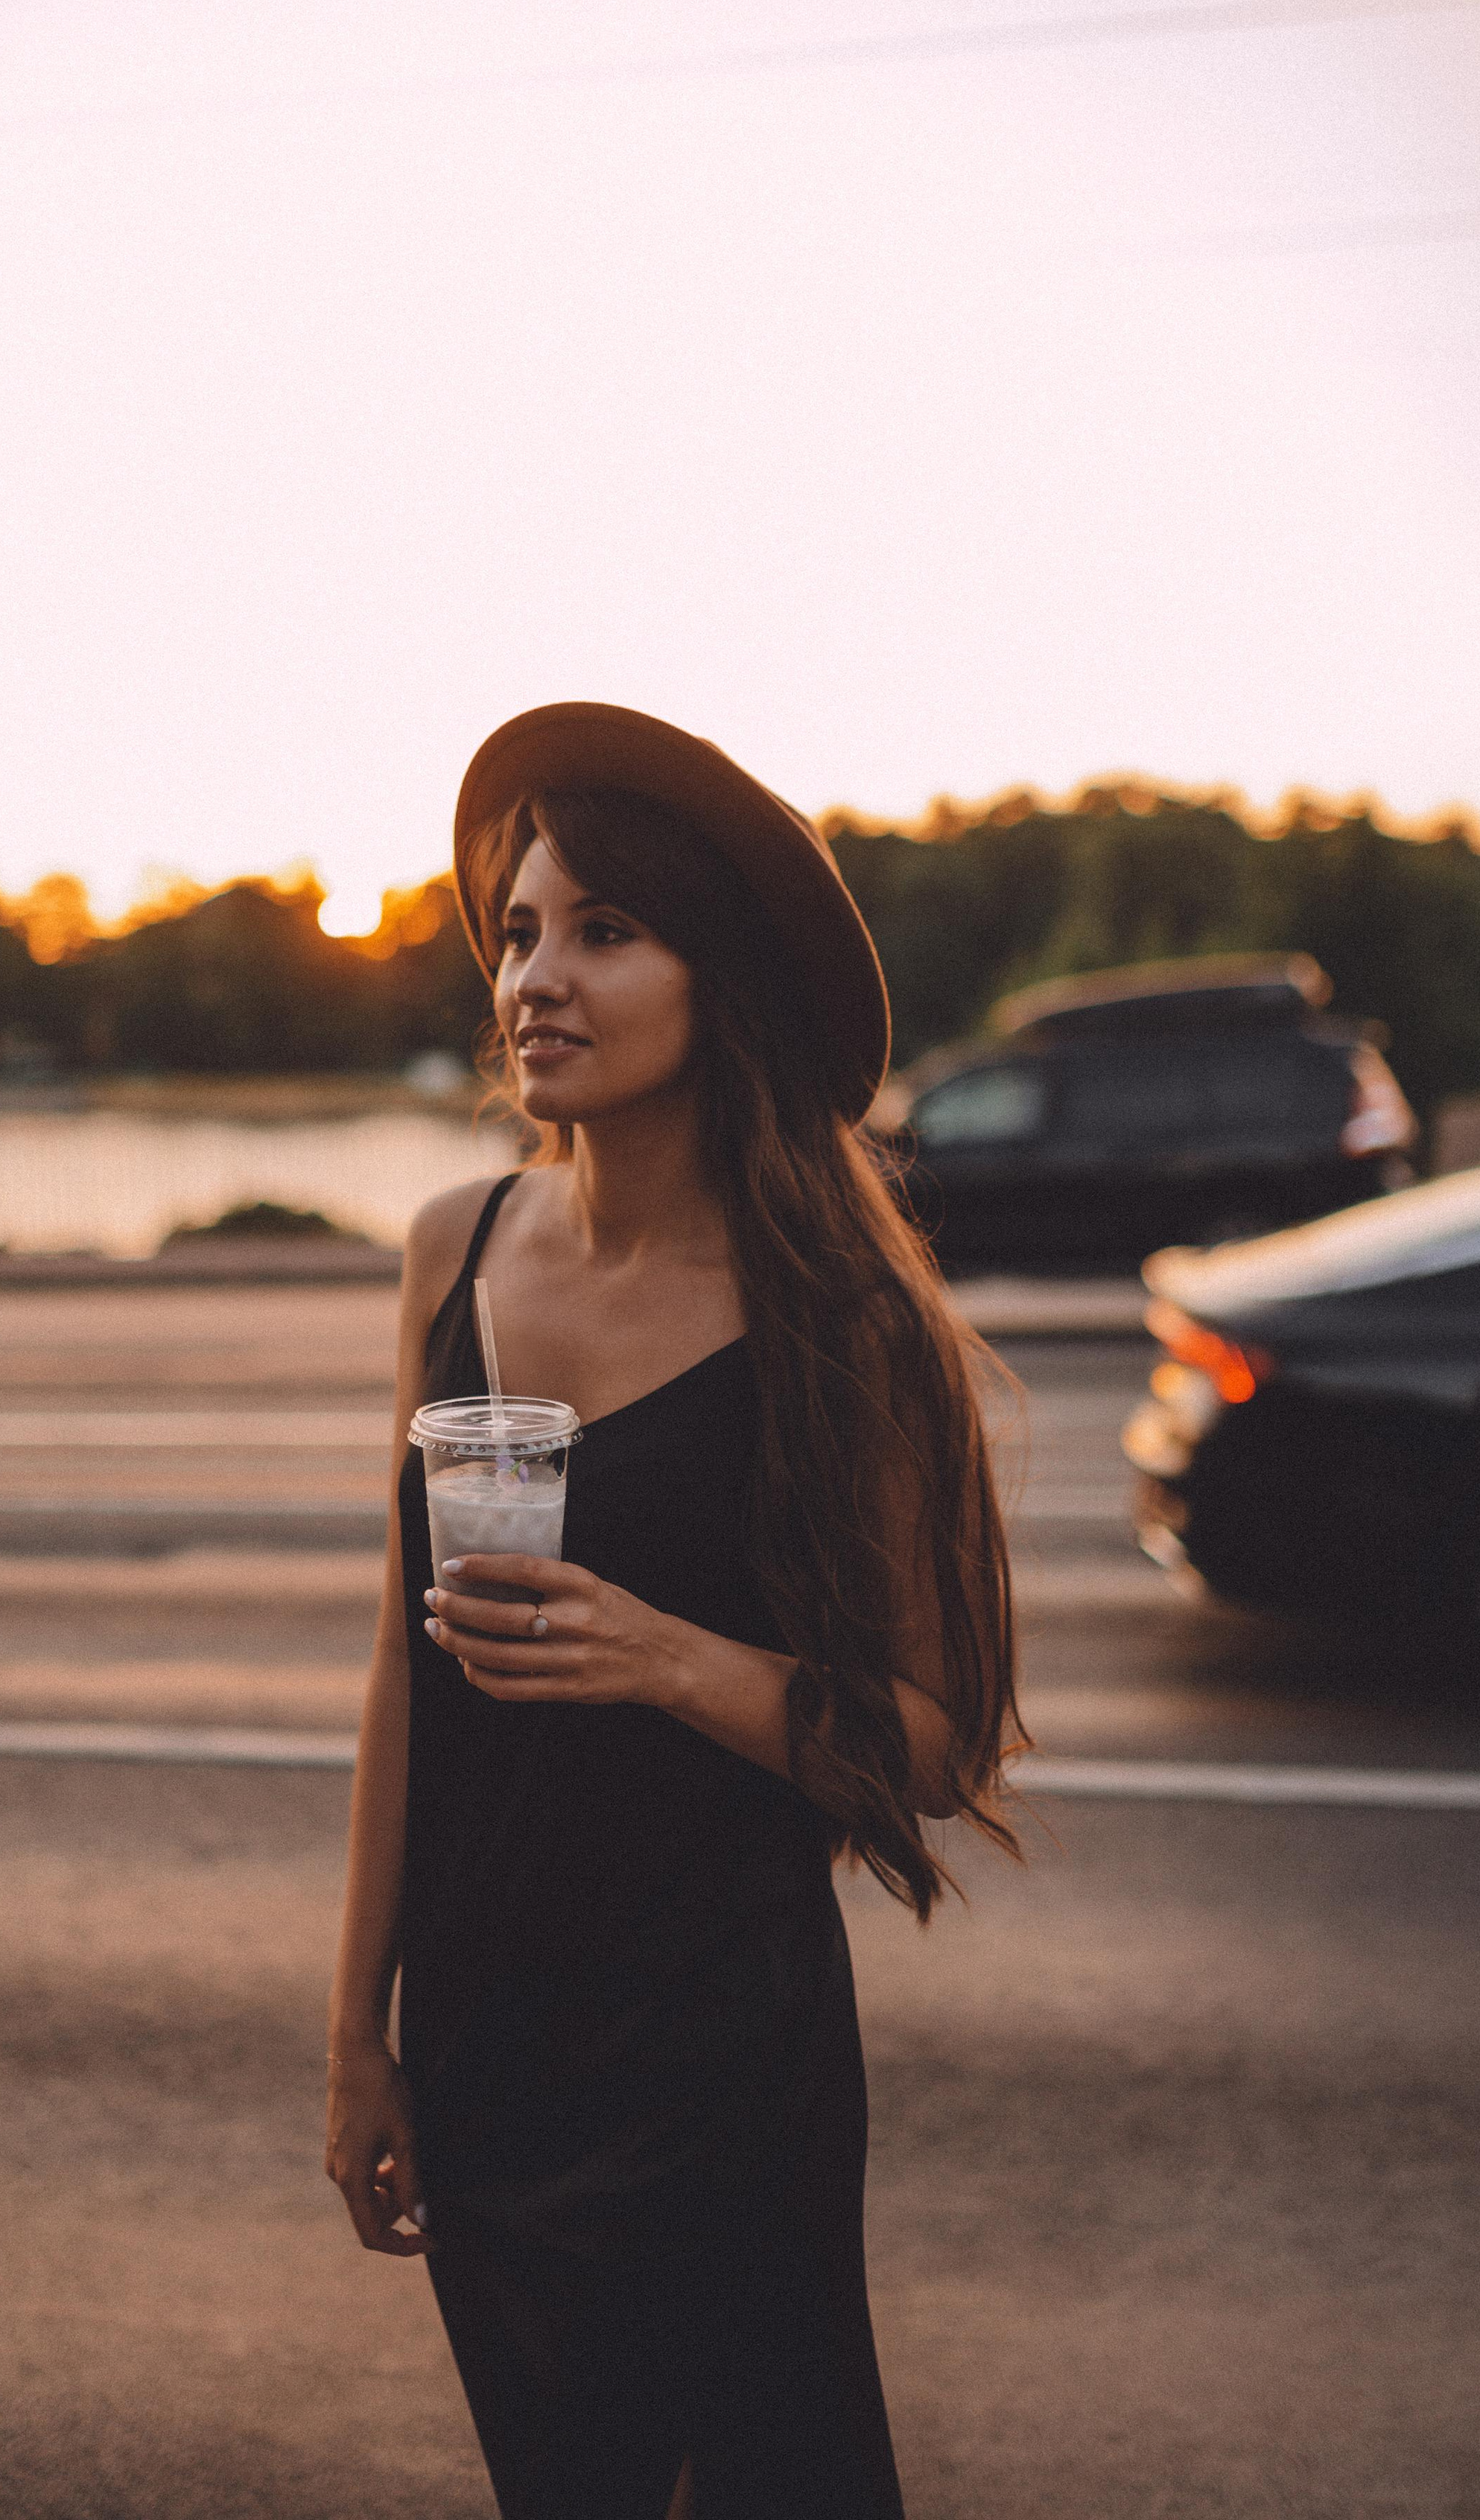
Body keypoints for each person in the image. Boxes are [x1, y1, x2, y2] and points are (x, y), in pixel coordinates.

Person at [326, 703, 1022, 2520]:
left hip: (721, 2060)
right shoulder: (451, 1251)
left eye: (601, 932)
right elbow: (404, 1669)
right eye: (516, 931)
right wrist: (357, 2035)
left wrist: (661, 1659)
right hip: (482, 2052)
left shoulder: (839, 1324)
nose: (533, 979)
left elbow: (931, 1750)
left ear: (723, 984)